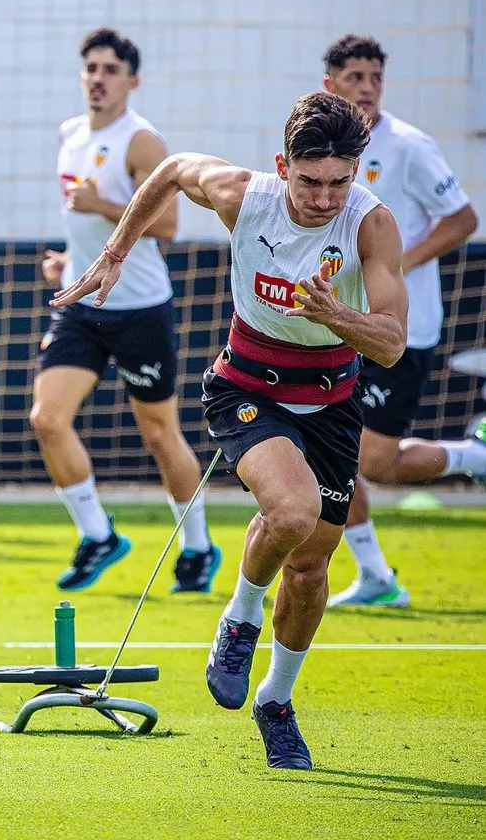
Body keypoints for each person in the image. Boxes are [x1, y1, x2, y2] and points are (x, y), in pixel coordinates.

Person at [52, 91, 408, 770]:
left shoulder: (371, 225)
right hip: (246, 389)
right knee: (292, 510)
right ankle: (239, 618)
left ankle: (275, 701)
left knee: (307, 570)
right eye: (309, 182)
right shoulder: (243, 195)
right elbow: (171, 169)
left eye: (339, 182)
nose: (324, 199)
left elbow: (389, 344)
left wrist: (339, 317)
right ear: (282, 166)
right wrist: (116, 251)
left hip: (331, 405)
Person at [31, 27, 220, 593]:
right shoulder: (70, 134)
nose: (97, 79)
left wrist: (101, 204)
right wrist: (69, 260)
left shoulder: (142, 142)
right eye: (91, 68)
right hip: (82, 304)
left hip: (139, 308)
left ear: (131, 81)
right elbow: (83, 225)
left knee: (161, 435)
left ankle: (198, 547)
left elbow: (165, 227)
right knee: (47, 419)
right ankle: (98, 535)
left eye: (110, 69)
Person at [322, 34, 482, 608]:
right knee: (331, 450)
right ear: (330, 84)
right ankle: (374, 576)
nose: (365, 88)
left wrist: (400, 261)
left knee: (375, 464)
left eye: (374, 78)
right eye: (354, 77)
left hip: (400, 330)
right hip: (336, 326)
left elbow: (463, 218)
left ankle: (473, 458)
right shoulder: (323, 147)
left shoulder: (409, 146)